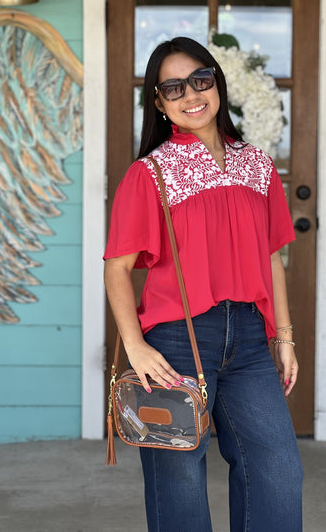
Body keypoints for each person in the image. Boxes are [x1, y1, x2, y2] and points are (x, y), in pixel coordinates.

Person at [104, 36, 303, 532]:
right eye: (173, 88)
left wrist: (284, 336)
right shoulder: (150, 173)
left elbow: (271, 256)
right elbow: (117, 267)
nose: (191, 94)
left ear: (217, 81)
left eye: (200, 79)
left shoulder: (256, 164)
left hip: (252, 343)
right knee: (180, 486)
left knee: (278, 471)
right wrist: (135, 346)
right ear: (159, 102)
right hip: (175, 341)